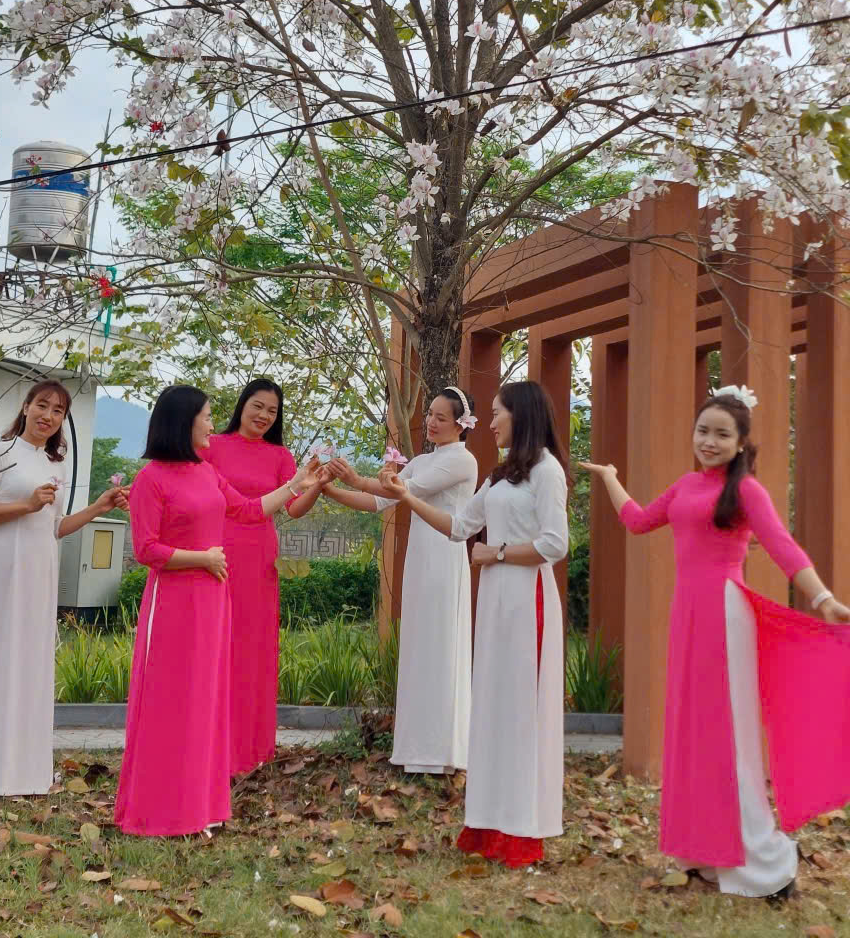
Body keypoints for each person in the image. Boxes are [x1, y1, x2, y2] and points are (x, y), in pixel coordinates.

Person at [582, 386, 850, 899]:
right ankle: (704, 853)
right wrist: (612, 478)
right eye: (702, 431)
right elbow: (638, 521)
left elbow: (783, 546)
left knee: (728, 738)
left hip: (725, 617)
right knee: (693, 733)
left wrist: (823, 600)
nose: (709, 441)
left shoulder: (746, 490)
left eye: (722, 434)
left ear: (741, 442)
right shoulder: (686, 484)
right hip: (688, 616)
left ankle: (768, 865)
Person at [114, 384, 325, 837]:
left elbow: (249, 511)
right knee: (171, 697)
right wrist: (202, 559)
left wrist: (297, 484)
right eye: (207, 417)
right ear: (184, 422)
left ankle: (198, 804)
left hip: (213, 598)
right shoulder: (151, 478)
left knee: (204, 698)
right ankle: (156, 806)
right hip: (174, 600)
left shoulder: (207, 473)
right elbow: (146, 549)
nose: (213, 424)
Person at [380, 381, 568, 866]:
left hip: (528, 599)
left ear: (522, 415)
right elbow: (460, 525)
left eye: (498, 412)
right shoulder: (501, 475)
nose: (490, 422)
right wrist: (406, 498)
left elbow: (555, 544)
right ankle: (487, 823)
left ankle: (522, 829)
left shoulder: (547, 471)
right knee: (493, 706)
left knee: (521, 709)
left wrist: (497, 552)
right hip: (495, 600)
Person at [0, 379, 128, 795]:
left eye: (58, 411)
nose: (48, 415)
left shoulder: (57, 465)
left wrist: (98, 507)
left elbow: (55, 527)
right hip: (2, 567)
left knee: (31, 663)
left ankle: (26, 773)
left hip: (40, 571)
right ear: (26, 406)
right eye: (42, 405)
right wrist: (26, 504)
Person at [325, 388, 477, 773]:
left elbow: (401, 490)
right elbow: (380, 501)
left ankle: (444, 754)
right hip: (420, 559)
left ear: (461, 424)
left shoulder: (463, 460)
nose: (432, 422)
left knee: (441, 647)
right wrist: (329, 489)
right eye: (430, 414)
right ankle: (416, 751)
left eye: (441, 417)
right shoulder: (423, 460)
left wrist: (357, 478)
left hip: (444, 559)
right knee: (418, 647)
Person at [201, 378, 323, 775]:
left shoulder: (280, 456)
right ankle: (209, 745)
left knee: (252, 648)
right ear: (242, 405)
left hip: (258, 560)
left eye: (272, 411)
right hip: (216, 553)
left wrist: (317, 487)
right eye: (257, 406)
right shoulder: (212, 446)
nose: (264, 416)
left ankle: (250, 748)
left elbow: (294, 508)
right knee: (216, 643)